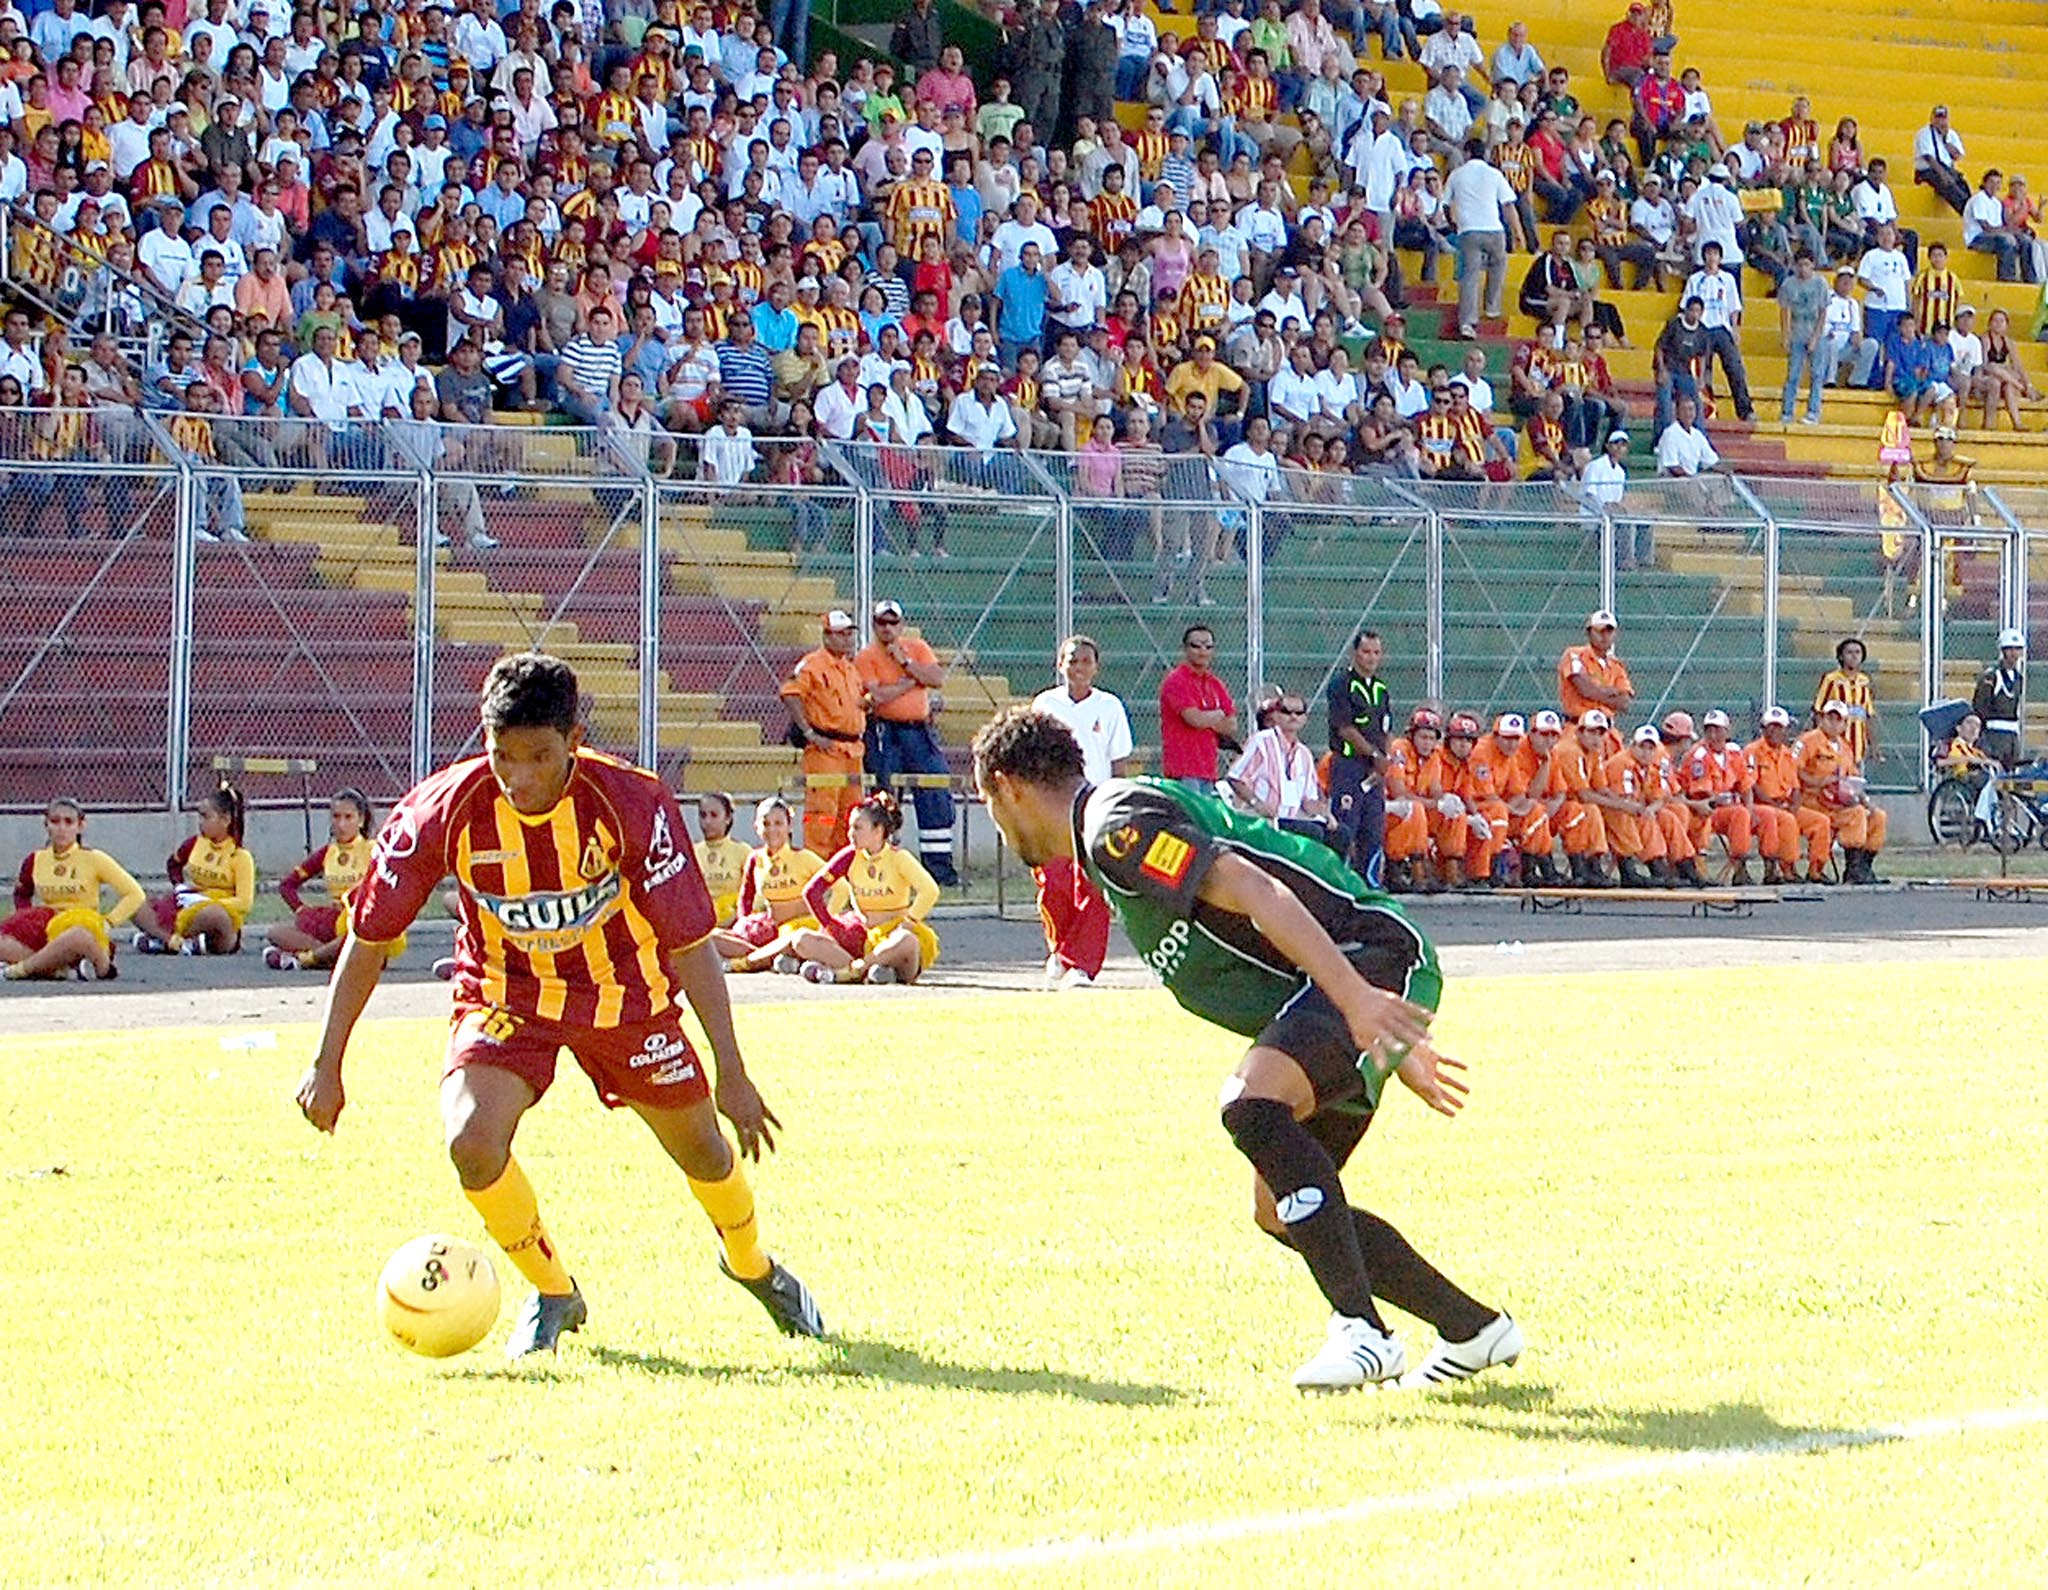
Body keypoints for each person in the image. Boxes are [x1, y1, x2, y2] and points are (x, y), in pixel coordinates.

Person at [972, 708, 1520, 1391]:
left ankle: (1362, 1332)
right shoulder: (1110, 834)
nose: (997, 824)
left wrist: (1355, 1001)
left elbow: (1260, 891)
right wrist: (1378, 1034)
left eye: (989, 806)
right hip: (1342, 987)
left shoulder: (1117, 831)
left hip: (1367, 957)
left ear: (1008, 787)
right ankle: (1474, 1330)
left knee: (1250, 1106)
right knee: (1279, 1207)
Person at [294, 653, 824, 1359]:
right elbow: (368, 938)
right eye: (502, 756)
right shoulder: (439, 811)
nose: (519, 777)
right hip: (505, 995)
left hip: (626, 1000)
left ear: (576, 740)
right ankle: (552, 1292)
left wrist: (733, 1071)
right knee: (472, 1143)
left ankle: (752, 1265)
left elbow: (694, 946)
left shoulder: (633, 804)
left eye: (540, 756)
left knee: (704, 1151)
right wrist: (327, 1064)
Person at [1030, 634, 1135, 987]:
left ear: (1096, 667)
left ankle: (1082, 964)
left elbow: (1118, 762)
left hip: (1093, 805)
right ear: (1061, 665)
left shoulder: (1110, 707)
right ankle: (1060, 949)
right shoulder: (1045, 705)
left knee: (1091, 886)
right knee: (1054, 884)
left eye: (1086, 661)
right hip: (1051, 805)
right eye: (1072, 660)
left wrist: (1117, 804)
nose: (1079, 667)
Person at [790, 791, 942, 986]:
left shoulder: (898, 857)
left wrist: (908, 922)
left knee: (907, 941)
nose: (850, 834)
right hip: (861, 937)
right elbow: (812, 892)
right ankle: (865, 971)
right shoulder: (849, 856)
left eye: (857, 828)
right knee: (801, 939)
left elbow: (930, 890)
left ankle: (850, 972)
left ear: (878, 831)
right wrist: (829, 924)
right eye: (850, 828)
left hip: (892, 938)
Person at [857, 599, 959, 886]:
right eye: (881, 622)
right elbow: (877, 697)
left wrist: (906, 664)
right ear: (874, 625)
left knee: (935, 789)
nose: (887, 628)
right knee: (885, 796)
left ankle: (939, 869)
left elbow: (937, 678)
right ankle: (884, 867)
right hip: (884, 731)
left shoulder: (916, 648)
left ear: (901, 625)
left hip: (919, 731)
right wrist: (912, 681)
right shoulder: (866, 656)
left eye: (892, 622)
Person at [1, 797, 143, 982]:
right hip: (46, 931)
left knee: (78, 936)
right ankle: (55, 968)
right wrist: (26, 920)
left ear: (80, 826)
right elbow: (22, 893)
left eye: (69, 822)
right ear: (46, 825)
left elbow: (135, 894)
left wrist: (108, 922)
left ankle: (18, 970)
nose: (61, 828)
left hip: (84, 929)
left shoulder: (94, 858)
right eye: (55, 821)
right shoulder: (35, 859)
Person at [265, 789, 403, 973]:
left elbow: (389, 886)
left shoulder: (374, 850)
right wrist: (301, 909)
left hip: (363, 920)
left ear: (361, 820)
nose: (341, 824)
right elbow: (287, 885)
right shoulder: (327, 852)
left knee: (356, 935)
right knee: (275, 932)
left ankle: (307, 958)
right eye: (336, 817)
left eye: (348, 817)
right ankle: (332, 956)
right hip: (334, 921)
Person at [780, 610, 869, 857]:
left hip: (852, 751)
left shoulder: (850, 670)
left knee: (851, 814)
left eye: (850, 634)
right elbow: (790, 693)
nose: (847, 639)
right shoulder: (812, 665)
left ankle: (845, 869)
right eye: (841, 634)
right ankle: (818, 869)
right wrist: (809, 733)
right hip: (825, 750)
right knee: (823, 815)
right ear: (827, 636)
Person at [131, 784, 254, 956]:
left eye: (206, 817)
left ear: (225, 820)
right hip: (187, 903)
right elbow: (173, 864)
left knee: (215, 916)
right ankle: (172, 941)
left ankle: (161, 940)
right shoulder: (195, 843)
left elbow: (244, 903)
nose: (200, 823)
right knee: (134, 903)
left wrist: (204, 902)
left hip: (217, 915)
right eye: (199, 817)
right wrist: (179, 886)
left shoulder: (240, 856)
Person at [713, 797, 830, 972]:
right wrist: (744, 924)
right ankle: (766, 957)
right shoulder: (755, 858)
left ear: (789, 826)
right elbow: (746, 897)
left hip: (798, 929)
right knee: (711, 937)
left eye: (778, 823)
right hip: (768, 930)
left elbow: (841, 887)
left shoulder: (804, 857)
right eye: (766, 823)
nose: (772, 829)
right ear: (756, 827)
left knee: (791, 936)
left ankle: (748, 962)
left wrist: (826, 923)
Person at [1796, 698, 1888, 884]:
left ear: (1845, 724)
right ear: (1821, 719)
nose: (1833, 723)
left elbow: (1852, 779)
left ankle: (1861, 867)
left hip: (1838, 804)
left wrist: (1865, 800)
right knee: (1856, 815)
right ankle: (1830, 869)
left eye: (1839, 720)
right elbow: (1794, 771)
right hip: (1813, 802)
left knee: (1877, 816)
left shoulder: (1846, 748)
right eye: (1830, 718)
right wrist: (1820, 781)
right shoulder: (1807, 741)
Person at [1325, 630, 1392, 885]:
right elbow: (1346, 728)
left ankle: (1370, 882)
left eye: (1376, 652)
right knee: (1345, 824)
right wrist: (1374, 754)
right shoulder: (1341, 684)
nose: (1371, 658)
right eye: (1366, 652)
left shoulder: (1381, 688)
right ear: (1355, 654)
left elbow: (1385, 727)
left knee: (1373, 827)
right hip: (1349, 766)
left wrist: (1384, 759)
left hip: (1374, 771)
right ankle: (1338, 881)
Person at [1228, 689, 1331, 839]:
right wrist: (1257, 803)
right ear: (1276, 716)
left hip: (1293, 818)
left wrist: (1325, 813)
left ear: (1305, 718)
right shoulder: (1262, 742)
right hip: (1265, 820)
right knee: (1313, 833)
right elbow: (1235, 778)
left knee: (1339, 834)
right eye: (1286, 712)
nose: (1293, 716)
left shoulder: (1304, 754)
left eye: (1298, 713)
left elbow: (1308, 801)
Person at [1159, 624, 1238, 787]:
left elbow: (1231, 725)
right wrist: (1217, 715)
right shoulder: (1177, 680)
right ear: (1185, 649)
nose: (1202, 651)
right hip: (1182, 770)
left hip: (1209, 769)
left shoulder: (1215, 683)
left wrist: (1206, 718)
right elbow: (1194, 719)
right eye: (1196, 646)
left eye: (1208, 646)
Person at [1558, 609, 1634, 730]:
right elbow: (1586, 690)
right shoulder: (1574, 655)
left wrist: (1597, 691)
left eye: (1609, 632)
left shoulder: (1616, 665)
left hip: (1607, 729)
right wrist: (1610, 692)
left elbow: (1624, 703)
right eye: (1600, 631)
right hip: (1578, 727)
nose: (1604, 636)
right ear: (1589, 633)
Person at [1813, 637, 1877, 767]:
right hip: (1836, 743)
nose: (1854, 656)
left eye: (1858, 652)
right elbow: (1818, 711)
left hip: (1858, 746)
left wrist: (1873, 745)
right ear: (1841, 657)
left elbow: (1868, 715)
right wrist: (1822, 740)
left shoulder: (1864, 681)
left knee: (1854, 783)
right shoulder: (1832, 679)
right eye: (1849, 652)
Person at [694, 793, 754, 929]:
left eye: (714, 815)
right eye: (703, 815)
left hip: (734, 926)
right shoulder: (692, 852)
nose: (707, 821)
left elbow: (754, 895)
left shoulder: (743, 852)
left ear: (728, 818)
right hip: (700, 927)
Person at [1972, 628, 2027, 768]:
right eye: (2010, 649)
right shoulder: (1991, 676)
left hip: (2011, 734)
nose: (2014, 654)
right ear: (2003, 651)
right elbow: (1980, 706)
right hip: (1994, 734)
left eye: (2018, 649)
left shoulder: (2018, 678)